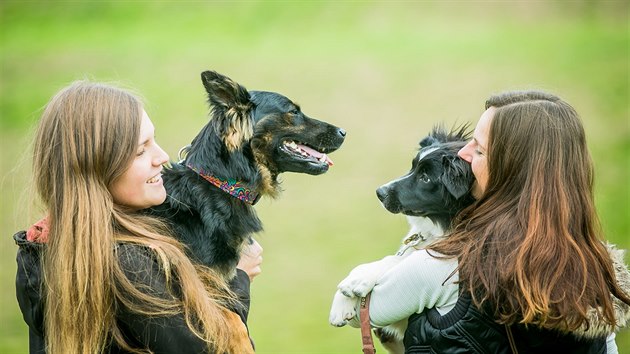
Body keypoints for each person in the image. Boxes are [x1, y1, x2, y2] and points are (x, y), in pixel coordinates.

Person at [342, 90, 630, 353]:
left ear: (511, 172)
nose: (462, 153)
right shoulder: (596, 272)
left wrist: (394, 263)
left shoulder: (443, 266)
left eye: (478, 150)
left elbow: (358, 313)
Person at [14, 80, 262, 353]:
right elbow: (206, 348)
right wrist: (238, 280)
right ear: (97, 168)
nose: (162, 156)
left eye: (153, 141)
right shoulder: (129, 264)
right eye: (140, 150)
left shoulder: (45, 250)